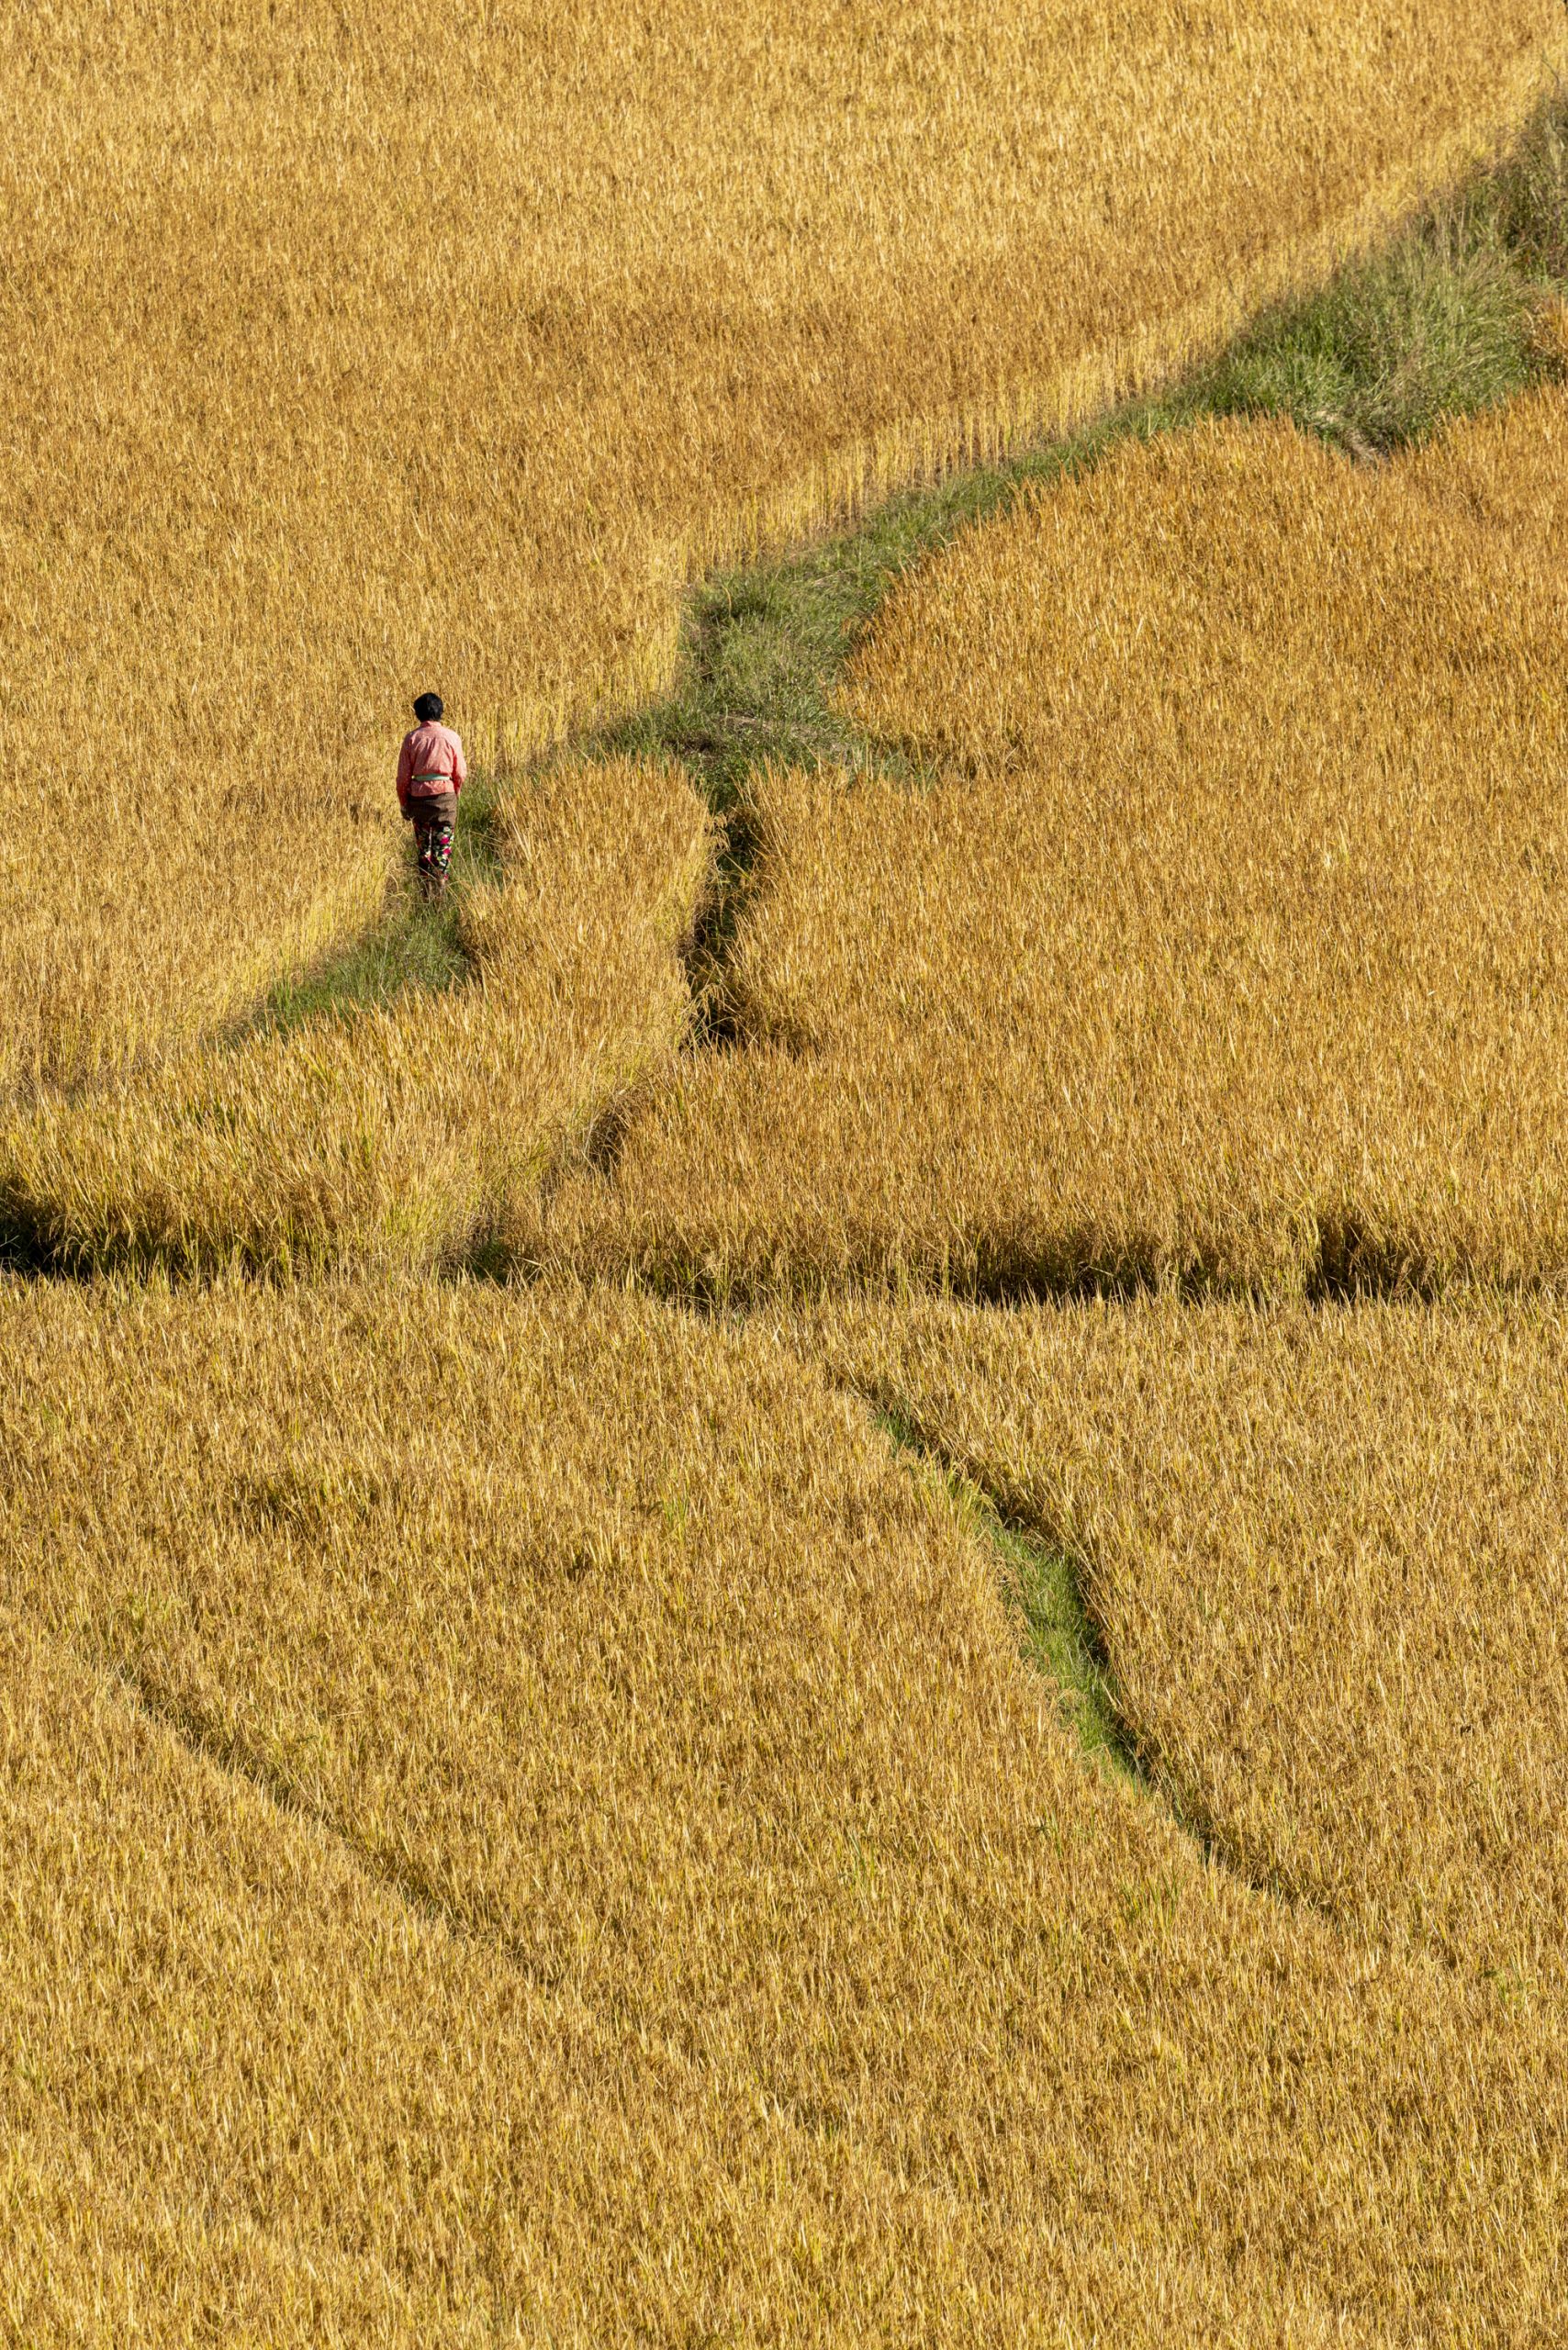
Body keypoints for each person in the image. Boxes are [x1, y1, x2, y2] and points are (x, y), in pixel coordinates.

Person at [396, 691, 468, 901]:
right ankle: (441, 889)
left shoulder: (412, 738)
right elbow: (460, 773)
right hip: (446, 798)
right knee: (442, 847)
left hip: (418, 800)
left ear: (417, 714)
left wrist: (404, 803)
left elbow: (403, 777)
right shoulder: (452, 737)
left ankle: (425, 893)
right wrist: (455, 794)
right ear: (441, 712)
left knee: (424, 848)